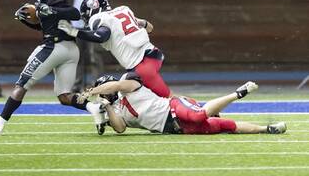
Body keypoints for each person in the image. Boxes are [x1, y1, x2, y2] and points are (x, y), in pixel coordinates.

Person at [0, 0, 106, 136]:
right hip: (69, 49)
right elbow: (44, 25)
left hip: (54, 47)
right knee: (65, 97)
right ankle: (94, 108)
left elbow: (74, 13)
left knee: (21, 85)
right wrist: (28, 20)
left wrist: (45, 11)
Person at [83, 73, 287, 135]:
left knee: (199, 115)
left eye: (105, 89)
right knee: (221, 126)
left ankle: (238, 93)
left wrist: (92, 91)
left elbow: (118, 84)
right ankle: (267, 129)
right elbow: (119, 129)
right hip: (172, 127)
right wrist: (106, 107)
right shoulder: (114, 109)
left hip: (173, 106)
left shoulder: (127, 84)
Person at [58, 0, 170, 101]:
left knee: (168, 99)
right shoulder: (123, 10)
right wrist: (140, 22)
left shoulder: (99, 18)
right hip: (152, 55)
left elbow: (102, 36)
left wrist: (75, 32)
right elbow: (150, 28)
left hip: (142, 65)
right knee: (131, 96)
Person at [63, 0, 109, 90]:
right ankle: (76, 85)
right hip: (77, 24)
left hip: (94, 25)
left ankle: (98, 85)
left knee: (95, 56)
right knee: (76, 57)